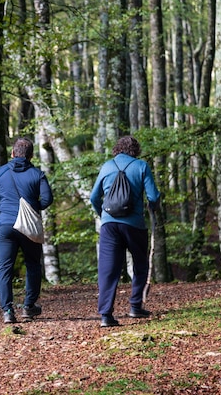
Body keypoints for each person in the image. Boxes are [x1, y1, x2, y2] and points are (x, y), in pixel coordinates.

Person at [90, 136, 160, 327]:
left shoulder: (106, 166)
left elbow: (94, 197)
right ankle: (135, 306)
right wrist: (152, 206)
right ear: (135, 150)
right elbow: (153, 196)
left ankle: (105, 315)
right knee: (140, 264)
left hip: (109, 225)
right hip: (134, 224)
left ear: (117, 149)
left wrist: (103, 215)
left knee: (108, 270)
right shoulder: (141, 166)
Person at [0, 137, 54, 324]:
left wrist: (4, 206)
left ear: (13, 153)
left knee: (5, 268)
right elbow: (48, 200)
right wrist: (33, 206)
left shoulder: (0, 172)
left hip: (6, 225)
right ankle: (29, 306)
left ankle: (7, 310)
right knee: (33, 265)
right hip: (28, 226)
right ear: (31, 155)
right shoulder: (37, 174)